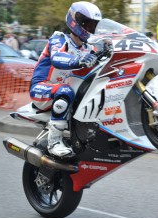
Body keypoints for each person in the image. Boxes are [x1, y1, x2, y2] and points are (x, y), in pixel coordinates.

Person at [29, 1, 101, 157]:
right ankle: (54, 141)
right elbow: (57, 58)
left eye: (93, 25)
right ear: (75, 21)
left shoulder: (88, 48)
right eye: (87, 24)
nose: (90, 29)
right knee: (65, 91)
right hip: (42, 88)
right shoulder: (59, 39)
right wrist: (78, 61)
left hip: (64, 90)